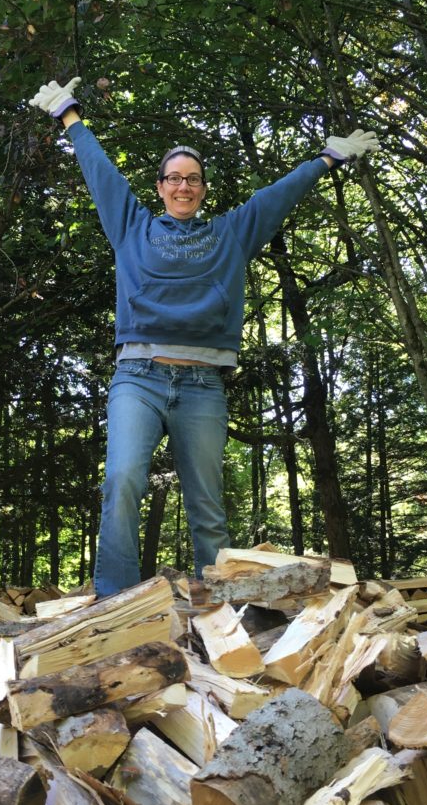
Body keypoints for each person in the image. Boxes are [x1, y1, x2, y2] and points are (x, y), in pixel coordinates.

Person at [29, 77, 379, 598]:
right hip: (139, 377)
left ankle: (219, 611)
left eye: (193, 179)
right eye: (174, 178)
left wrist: (328, 158)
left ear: (203, 188)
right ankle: (113, 602)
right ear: (161, 187)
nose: (183, 187)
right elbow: (101, 176)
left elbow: (277, 196)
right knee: (122, 481)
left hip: (202, 386)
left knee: (207, 506)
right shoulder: (132, 228)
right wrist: (69, 116)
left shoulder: (229, 234)